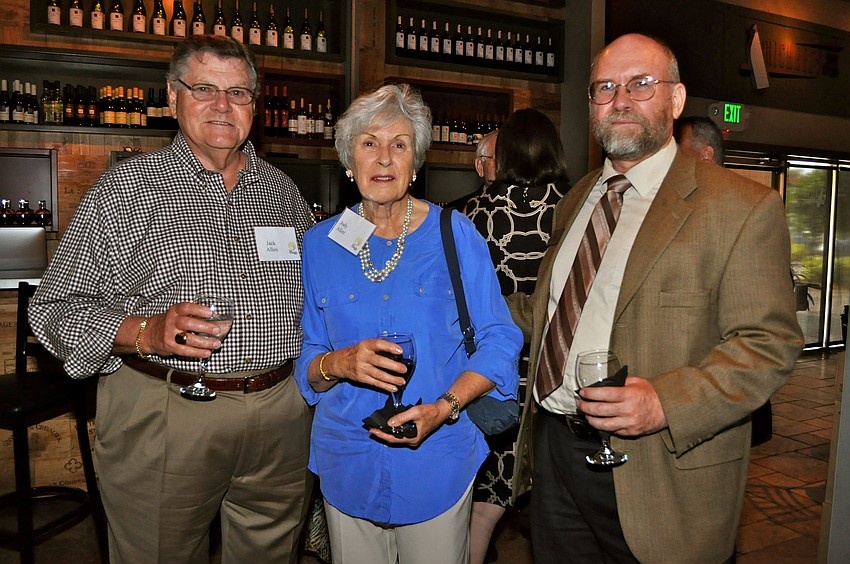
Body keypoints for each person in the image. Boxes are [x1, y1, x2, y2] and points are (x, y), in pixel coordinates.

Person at [507, 33, 803, 563]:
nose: (620, 99)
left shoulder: (740, 207)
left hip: (660, 474)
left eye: (640, 84)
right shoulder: (577, 199)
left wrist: (665, 403)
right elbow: (551, 311)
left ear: (676, 99)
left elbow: (769, 343)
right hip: (555, 455)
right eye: (605, 87)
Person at [29, 35, 315, 563]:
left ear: (256, 104)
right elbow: (53, 310)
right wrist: (146, 331)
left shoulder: (283, 191)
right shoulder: (125, 190)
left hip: (281, 414)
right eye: (205, 88)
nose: (223, 106)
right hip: (169, 411)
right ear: (172, 96)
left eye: (239, 93)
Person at [294, 83, 522, 564]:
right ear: (348, 160)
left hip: (438, 463)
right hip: (347, 459)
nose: (383, 159)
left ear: (415, 163)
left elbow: (501, 339)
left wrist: (444, 407)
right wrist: (339, 362)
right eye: (368, 143)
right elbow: (308, 362)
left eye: (399, 145)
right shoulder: (319, 245)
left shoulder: (455, 233)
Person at [463, 108, 569, 564]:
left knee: (485, 505)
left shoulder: (470, 214)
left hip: (493, 374)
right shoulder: (578, 207)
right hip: (558, 372)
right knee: (561, 500)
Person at [446, 130, 498, 210]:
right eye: (496, 159)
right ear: (480, 166)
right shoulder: (455, 213)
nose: (504, 166)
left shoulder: (523, 210)